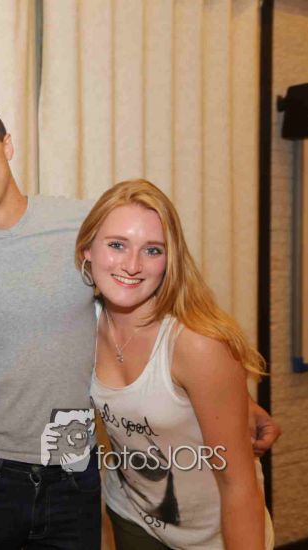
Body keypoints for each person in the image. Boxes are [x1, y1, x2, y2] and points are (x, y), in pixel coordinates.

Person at [0, 93, 280, 549]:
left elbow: (156, 296)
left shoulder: (83, 225)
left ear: (7, 145)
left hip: (75, 470)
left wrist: (231, 400)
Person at [77, 179, 273, 550]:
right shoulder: (82, 323)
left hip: (212, 534)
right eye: (117, 245)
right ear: (87, 249)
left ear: (170, 260)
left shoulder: (196, 344)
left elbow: (239, 486)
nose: (132, 265)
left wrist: (236, 400)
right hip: (133, 518)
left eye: (152, 250)